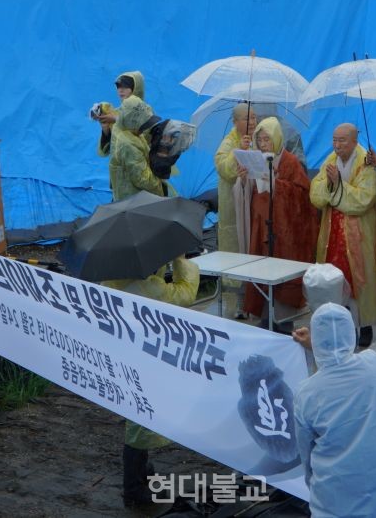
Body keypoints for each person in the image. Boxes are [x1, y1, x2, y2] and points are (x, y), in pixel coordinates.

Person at [292, 303, 376, 518]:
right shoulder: (374, 364)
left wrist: (311, 481)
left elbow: (306, 451)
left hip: (340, 484)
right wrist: (323, 344)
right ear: (352, 333)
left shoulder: (306, 393)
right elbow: (346, 356)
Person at [103, 255, 200, 507]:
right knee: (140, 424)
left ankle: (141, 470)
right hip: (143, 358)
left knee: (136, 417)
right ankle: (133, 488)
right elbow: (187, 292)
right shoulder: (151, 287)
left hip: (121, 351)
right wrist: (180, 260)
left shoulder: (110, 277)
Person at [234, 117, 317, 324]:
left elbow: (302, 194)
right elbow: (249, 192)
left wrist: (276, 185)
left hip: (284, 228)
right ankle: (263, 315)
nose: (263, 145)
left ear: (277, 138)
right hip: (260, 224)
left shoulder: (290, 161)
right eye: (260, 140)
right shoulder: (255, 158)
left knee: (282, 268)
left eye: (267, 140)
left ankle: (283, 318)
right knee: (261, 265)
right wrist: (244, 179)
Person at [310, 123, 376, 343]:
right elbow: (315, 191)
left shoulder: (365, 161)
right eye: (334, 140)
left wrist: (338, 185)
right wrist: (331, 186)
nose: (337, 145)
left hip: (358, 231)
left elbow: (365, 199)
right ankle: (339, 324)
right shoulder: (331, 160)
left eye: (342, 140)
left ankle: (365, 325)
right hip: (332, 230)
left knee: (361, 277)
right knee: (334, 277)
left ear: (354, 140)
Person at [214, 103, 257, 318]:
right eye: (247, 118)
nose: (252, 122)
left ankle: (256, 300)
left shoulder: (257, 138)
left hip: (254, 206)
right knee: (236, 253)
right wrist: (239, 150)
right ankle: (238, 303)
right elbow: (224, 168)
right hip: (233, 209)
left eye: (254, 118)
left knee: (254, 249)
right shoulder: (229, 142)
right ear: (235, 121)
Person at [108, 96, 167, 201]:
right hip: (133, 198)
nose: (144, 129)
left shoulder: (125, 128)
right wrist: (160, 185)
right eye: (143, 125)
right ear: (132, 121)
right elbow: (143, 179)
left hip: (125, 188)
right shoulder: (127, 145)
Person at [96, 71, 146, 158]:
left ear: (136, 88)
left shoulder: (146, 111)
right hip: (120, 168)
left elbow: (143, 138)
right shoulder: (116, 113)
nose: (121, 90)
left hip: (141, 167)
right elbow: (105, 152)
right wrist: (106, 130)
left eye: (126, 86)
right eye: (118, 86)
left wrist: (116, 119)